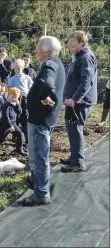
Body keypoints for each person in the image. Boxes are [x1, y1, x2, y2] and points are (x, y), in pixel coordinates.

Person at [20, 35, 64, 206]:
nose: (35, 50)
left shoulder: (50, 64)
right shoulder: (57, 62)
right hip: (43, 118)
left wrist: (45, 95)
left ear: (46, 50)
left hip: (41, 120)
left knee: (40, 156)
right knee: (38, 155)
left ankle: (41, 194)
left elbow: (47, 82)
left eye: (37, 47)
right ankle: (38, 182)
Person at [60, 31, 98, 173]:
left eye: (73, 41)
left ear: (82, 43)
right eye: (69, 41)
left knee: (76, 130)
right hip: (72, 101)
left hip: (79, 102)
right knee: (72, 129)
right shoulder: (78, 57)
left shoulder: (86, 58)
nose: (70, 44)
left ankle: (78, 163)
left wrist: (75, 99)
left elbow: (86, 82)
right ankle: (74, 157)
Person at [0, 87, 27, 156]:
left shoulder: (15, 104)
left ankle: (19, 149)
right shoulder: (6, 105)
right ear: (8, 95)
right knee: (0, 139)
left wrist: (18, 104)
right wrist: (10, 126)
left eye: (15, 98)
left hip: (14, 123)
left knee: (20, 135)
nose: (14, 99)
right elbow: (5, 116)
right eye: (12, 97)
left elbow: (19, 112)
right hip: (5, 125)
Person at [8, 59, 34, 144]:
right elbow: (10, 90)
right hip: (15, 100)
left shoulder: (27, 77)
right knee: (15, 118)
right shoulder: (12, 79)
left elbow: (31, 88)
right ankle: (15, 137)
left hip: (25, 100)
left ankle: (27, 138)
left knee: (25, 119)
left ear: (22, 68)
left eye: (19, 68)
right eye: (15, 68)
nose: (17, 70)